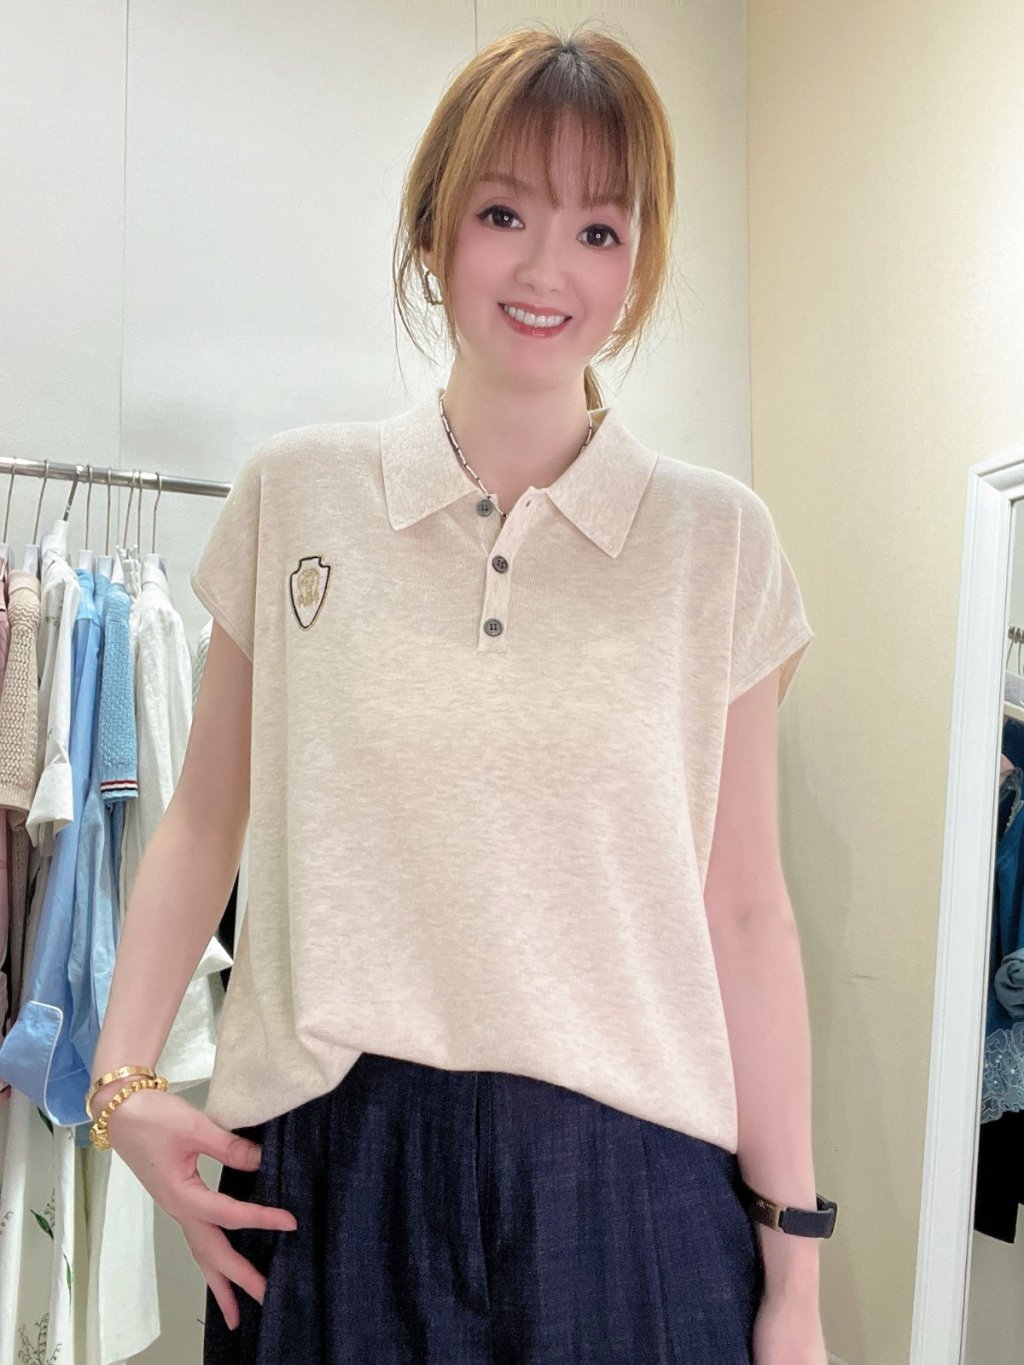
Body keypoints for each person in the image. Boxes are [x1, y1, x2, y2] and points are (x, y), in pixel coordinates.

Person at [87, 20, 834, 1364]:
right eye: (505, 214)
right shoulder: (295, 496)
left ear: (638, 265)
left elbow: (745, 908)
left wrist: (798, 1279)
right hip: (332, 1169)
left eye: (599, 230)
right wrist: (119, 1079)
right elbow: (204, 819)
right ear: (435, 231)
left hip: (630, 1187)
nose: (548, 269)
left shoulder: (717, 541)